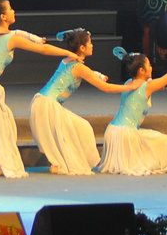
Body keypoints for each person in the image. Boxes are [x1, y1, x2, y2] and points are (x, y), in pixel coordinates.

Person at [0, 0, 79, 178]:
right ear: (3, 16)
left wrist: (33, 37)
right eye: (11, 9)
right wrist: (68, 53)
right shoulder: (10, 38)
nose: (14, 11)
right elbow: (43, 50)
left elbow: (19, 34)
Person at [29, 28, 138, 175]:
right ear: (82, 47)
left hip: (41, 102)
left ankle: (59, 162)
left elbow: (82, 72)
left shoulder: (68, 60)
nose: (92, 45)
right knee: (82, 127)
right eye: (90, 43)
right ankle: (62, 162)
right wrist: (129, 87)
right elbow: (105, 88)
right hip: (47, 105)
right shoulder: (78, 67)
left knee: (76, 128)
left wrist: (98, 75)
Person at [98, 46, 167, 175]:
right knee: (165, 141)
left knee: (152, 139)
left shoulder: (129, 82)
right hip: (126, 135)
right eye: (149, 65)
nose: (151, 68)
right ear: (141, 70)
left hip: (112, 131)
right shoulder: (148, 86)